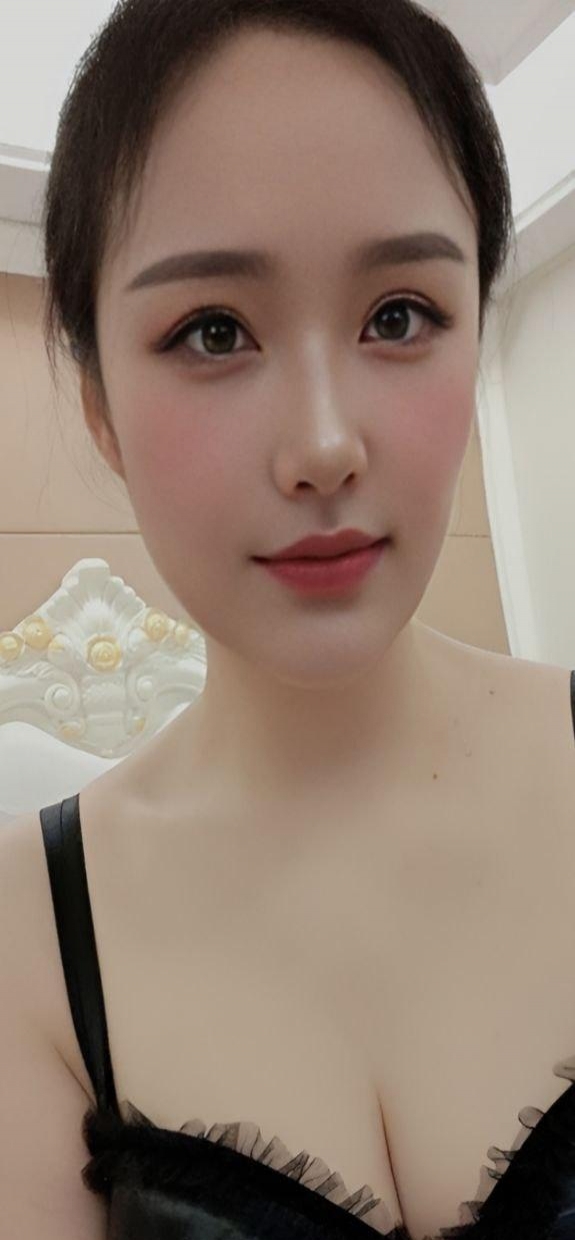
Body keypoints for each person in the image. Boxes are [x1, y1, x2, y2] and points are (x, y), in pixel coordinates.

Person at [2, 1, 574, 1237]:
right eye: (213, 332)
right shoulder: (27, 940)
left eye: (398, 315)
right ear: (100, 408)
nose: (322, 445)